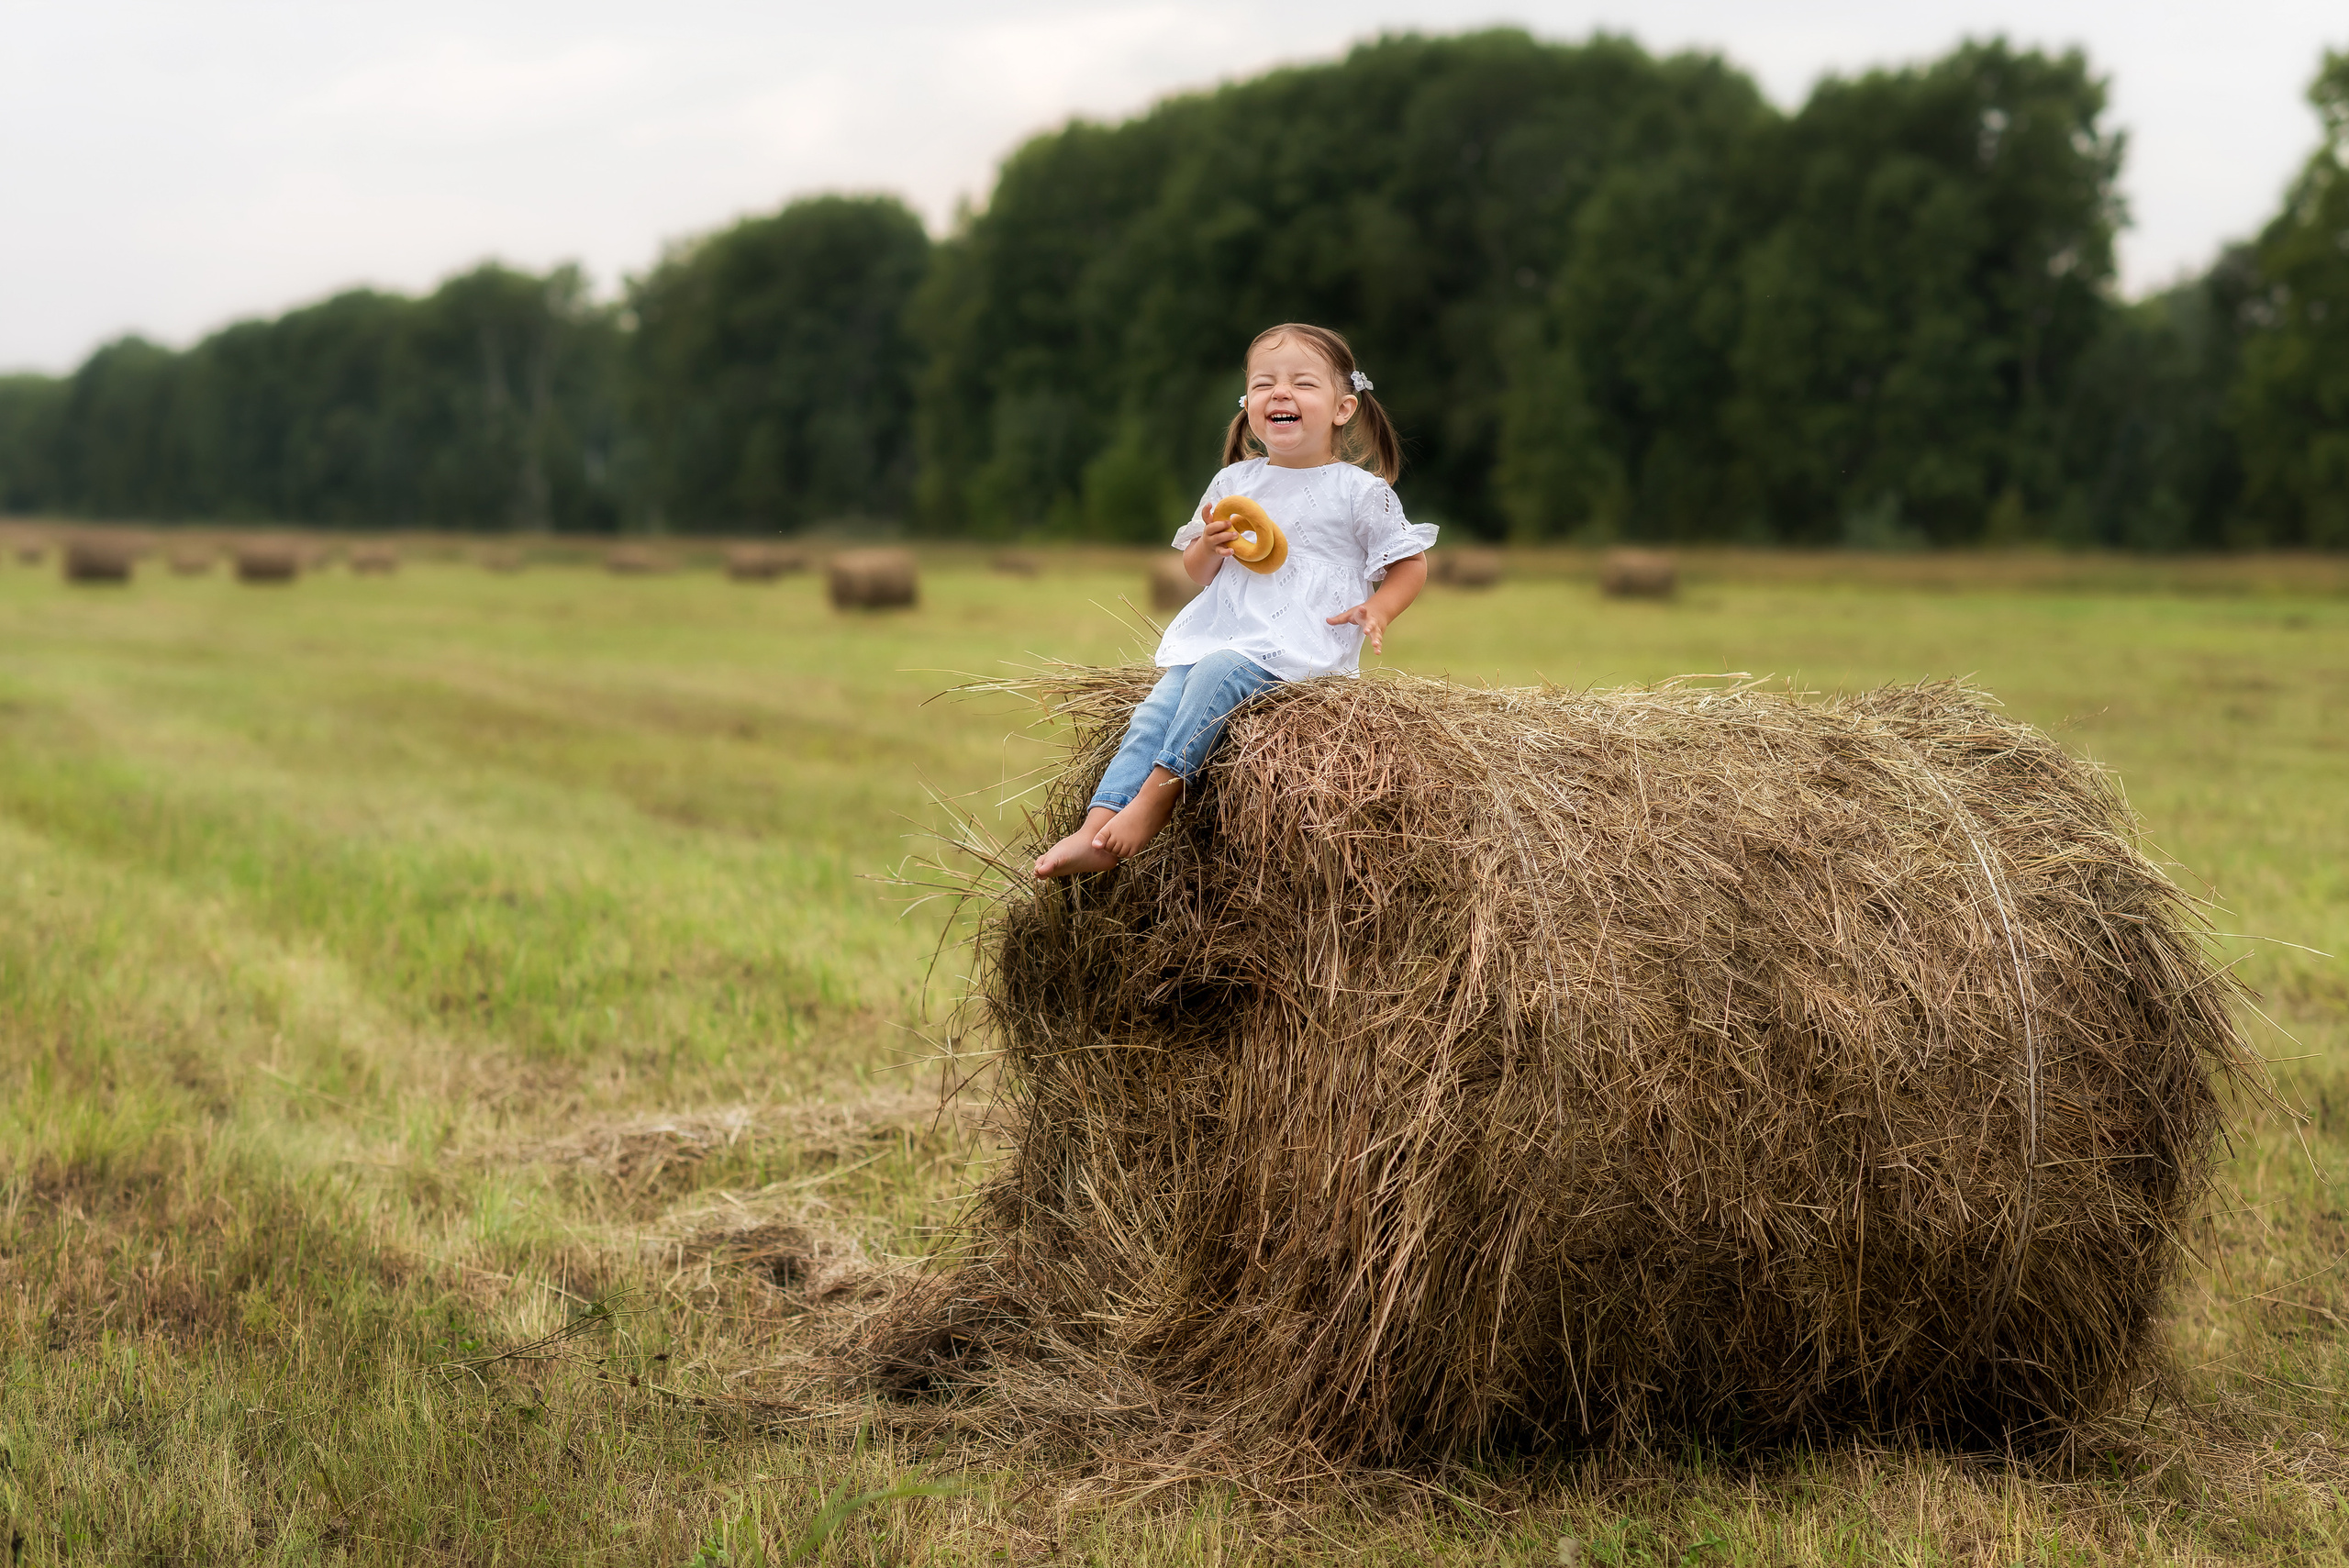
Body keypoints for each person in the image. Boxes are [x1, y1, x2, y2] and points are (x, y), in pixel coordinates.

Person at [1033, 323, 1436, 879]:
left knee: (1216, 673)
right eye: (1264, 383)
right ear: (1248, 404)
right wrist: (1209, 545)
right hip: (1224, 635)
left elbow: (1409, 565)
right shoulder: (1233, 483)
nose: (1280, 392)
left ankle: (1157, 798)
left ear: (1343, 408)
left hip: (1299, 646)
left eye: (1302, 383)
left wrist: (1379, 608)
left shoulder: (1359, 491)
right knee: (1155, 710)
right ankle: (1095, 826)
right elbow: (1197, 571)